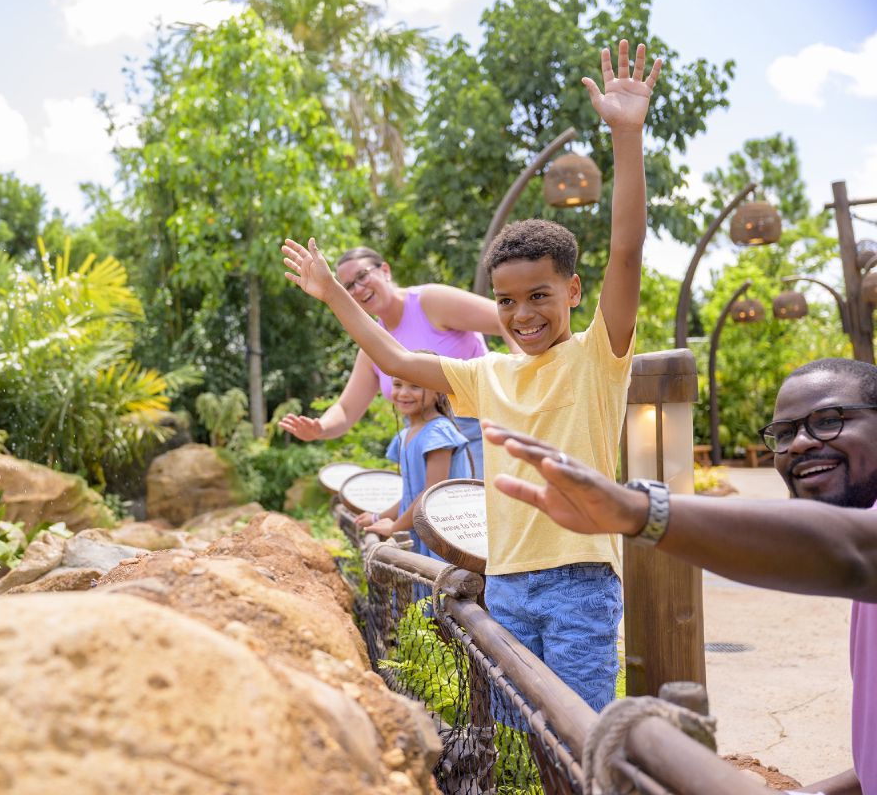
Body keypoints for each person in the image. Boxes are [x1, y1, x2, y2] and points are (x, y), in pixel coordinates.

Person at [281, 39, 662, 712]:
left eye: (539, 295)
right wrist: (332, 296)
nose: (521, 313)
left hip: (580, 580)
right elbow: (393, 358)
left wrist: (626, 136)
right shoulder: (485, 375)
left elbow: (626, 250)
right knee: (518, 735)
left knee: (580, 732)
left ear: (573, 291)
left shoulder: (596, 356)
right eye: (507, 301)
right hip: (508, 579)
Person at [481, 356, 877, 795]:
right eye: (784, 434)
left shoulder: (863, 549)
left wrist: (637, 511)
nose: (800, 443)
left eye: (829, 421)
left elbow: (849, 548)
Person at [277, 245, 520, 478]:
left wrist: (520, 368)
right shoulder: (375, 346)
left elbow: (506, 318)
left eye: (362, 275)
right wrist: (319, 428)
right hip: (424, 446)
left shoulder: (430, 301)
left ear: (385, 270)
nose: (358, 288)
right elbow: (346, 409)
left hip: (481, 431)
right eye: (348, 286)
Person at [355, 372, 480, 557]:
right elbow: (411, 496)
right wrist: (378, 517)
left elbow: (429, 495)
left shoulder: (438, 433)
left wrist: (395, 527)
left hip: (441, 537)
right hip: (419, 532)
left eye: (415, 386)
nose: (404, 393)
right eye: (397, 385)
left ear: (438, 392)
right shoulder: (406, 434)